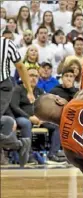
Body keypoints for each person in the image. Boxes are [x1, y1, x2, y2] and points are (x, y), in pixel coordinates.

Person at [0, 36, 34, 165]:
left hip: (2, 86)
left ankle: (19, 145)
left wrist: (29, 90)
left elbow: (20, 66)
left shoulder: (7, 44)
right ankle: (20, 145)